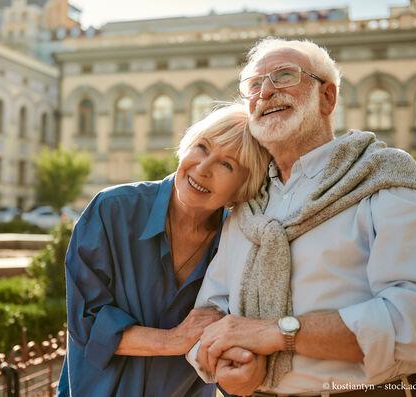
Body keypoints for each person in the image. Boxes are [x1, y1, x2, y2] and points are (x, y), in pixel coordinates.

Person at [187, 37, 416, 396]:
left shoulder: (384, 175)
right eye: (254, 85)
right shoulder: (246, 203)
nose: (265, 92)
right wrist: (227, 363)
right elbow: (210, 310)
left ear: (328, 97)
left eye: (284, 76)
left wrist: (275, 334)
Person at [56, 103, 270, 397]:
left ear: (242, 188)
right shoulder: (111, 211)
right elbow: (87, 323)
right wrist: (174, 340)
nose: (203, 168)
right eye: (202, 147)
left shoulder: (239, 243)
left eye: (227, 164)